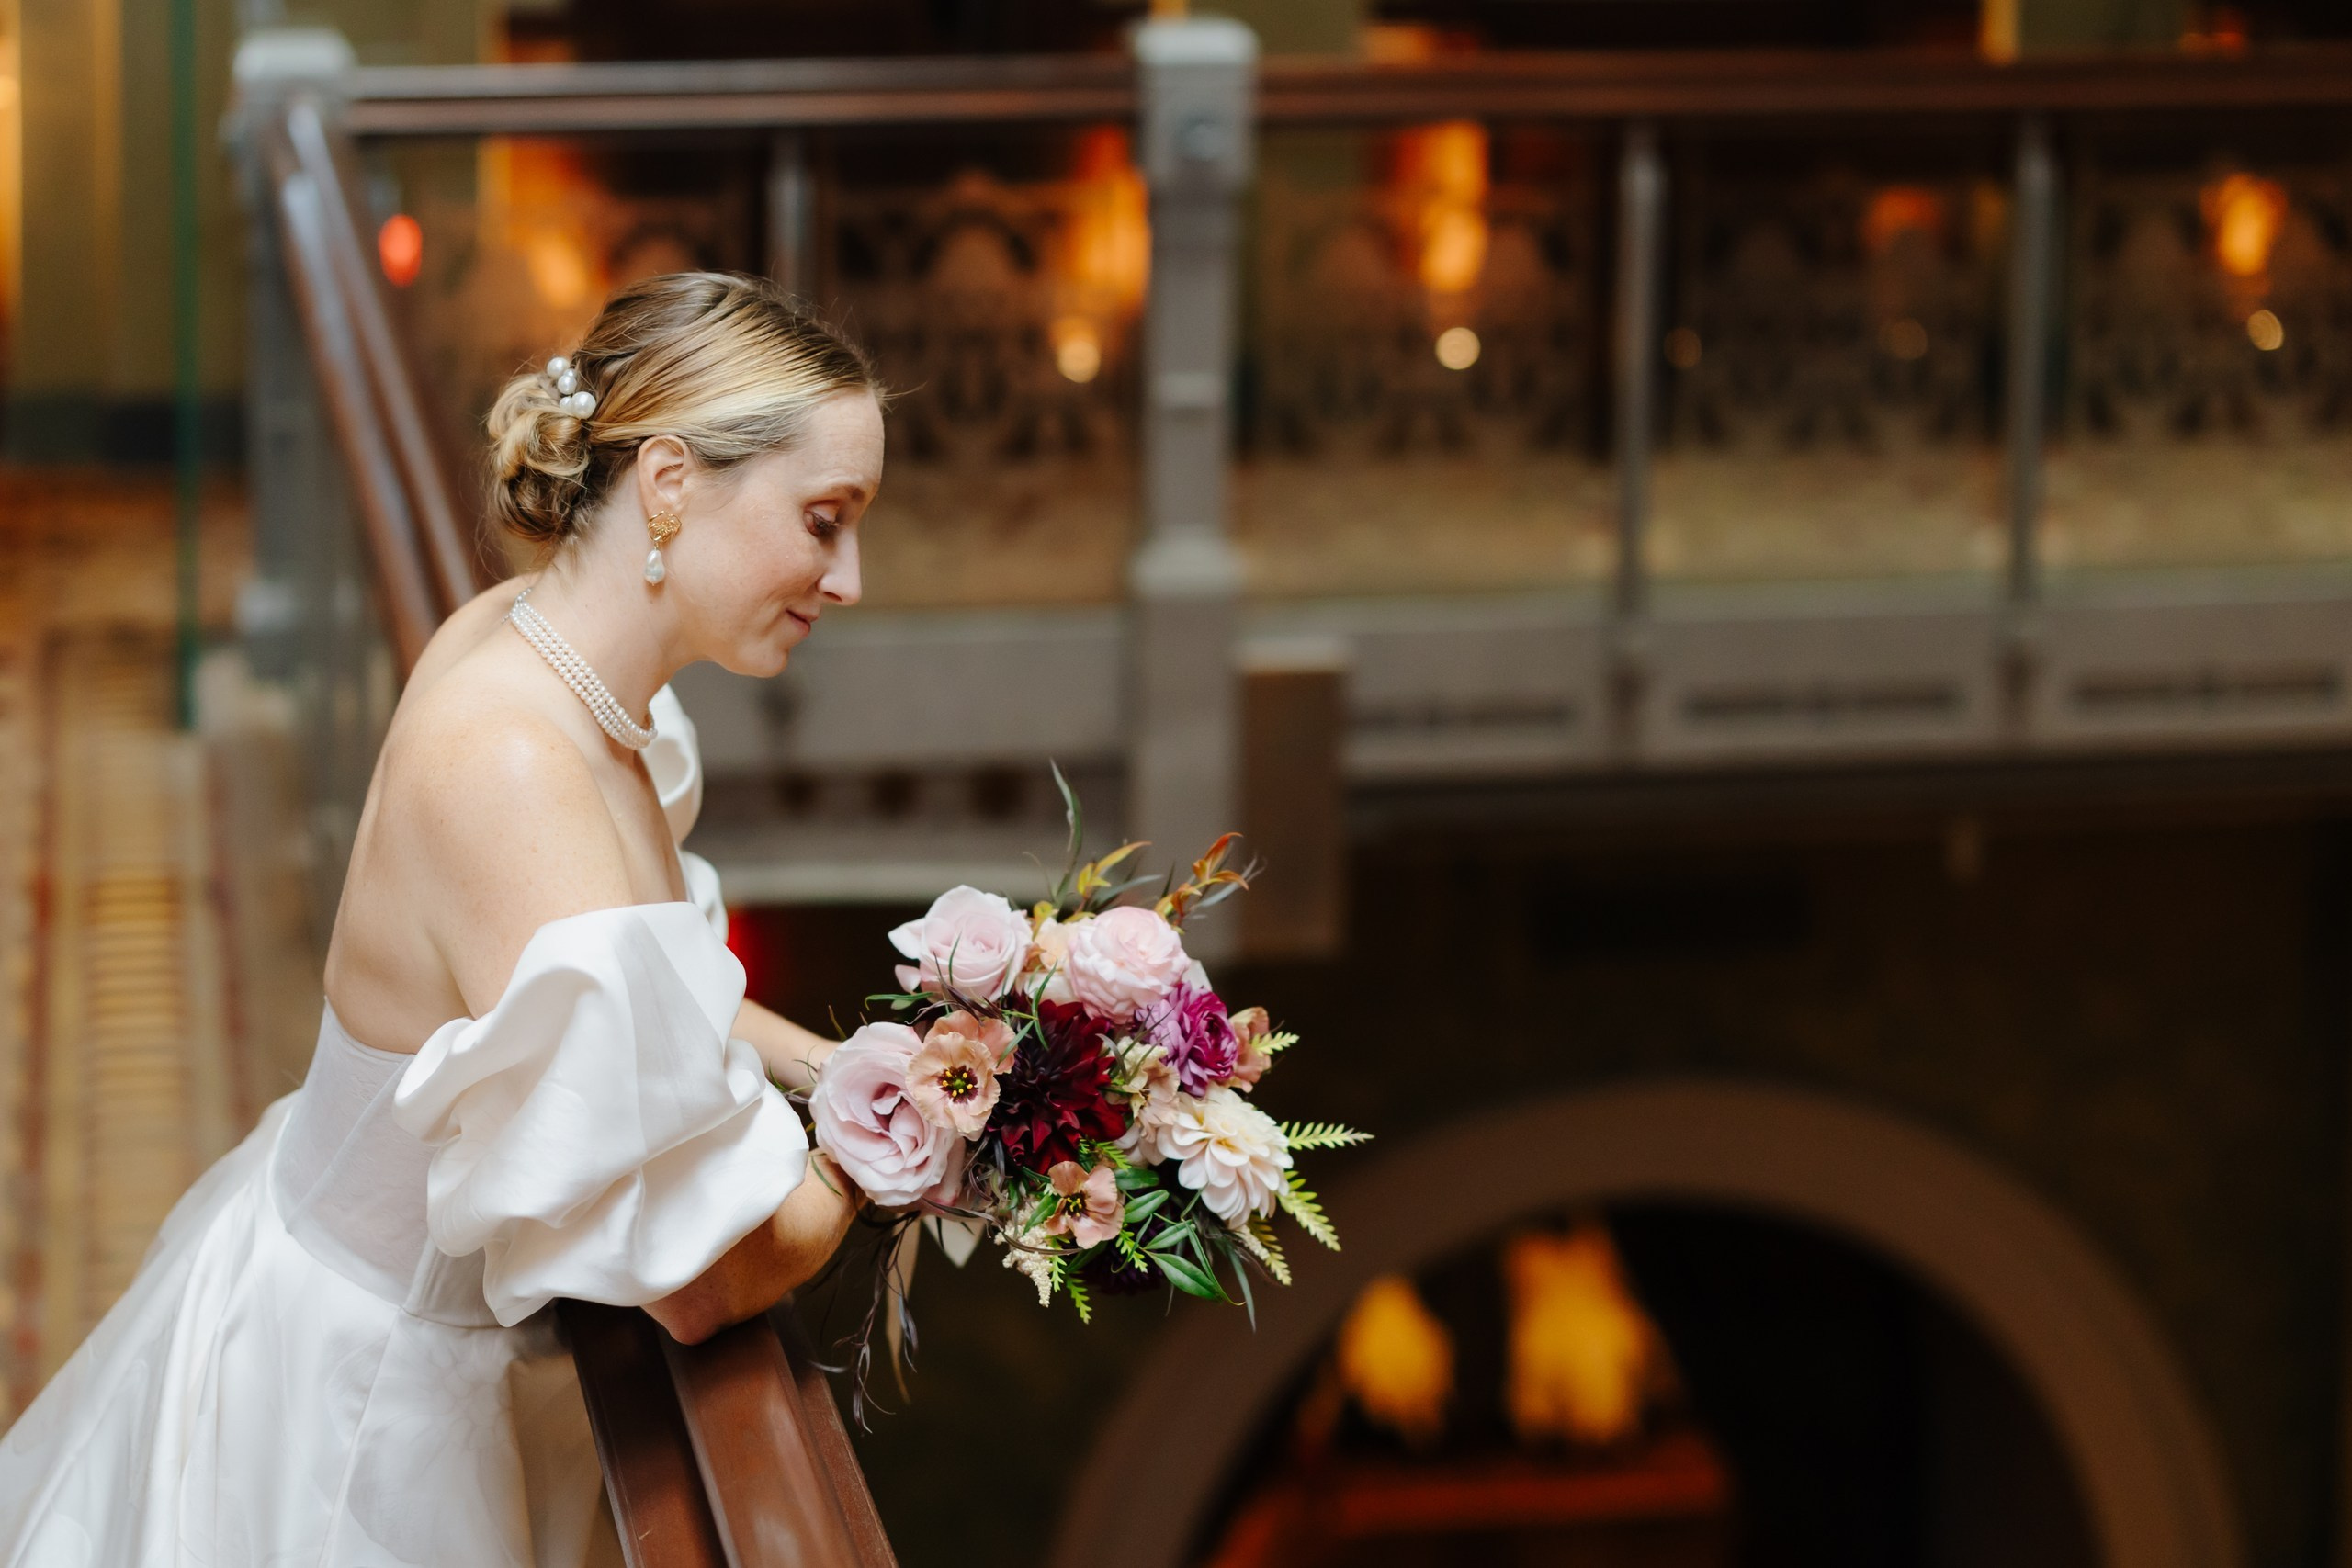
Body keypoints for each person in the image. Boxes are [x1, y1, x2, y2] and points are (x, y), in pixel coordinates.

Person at [0, 272, 880, 1566]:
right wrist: (881, 1148)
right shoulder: (519, 771)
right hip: (363, 1411)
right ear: (672, 483)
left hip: (388, 1319)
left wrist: (837, 1062)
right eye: (824, 521)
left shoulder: (527, 644)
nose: (849, 577)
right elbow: (702, 1281)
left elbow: (646, 996)